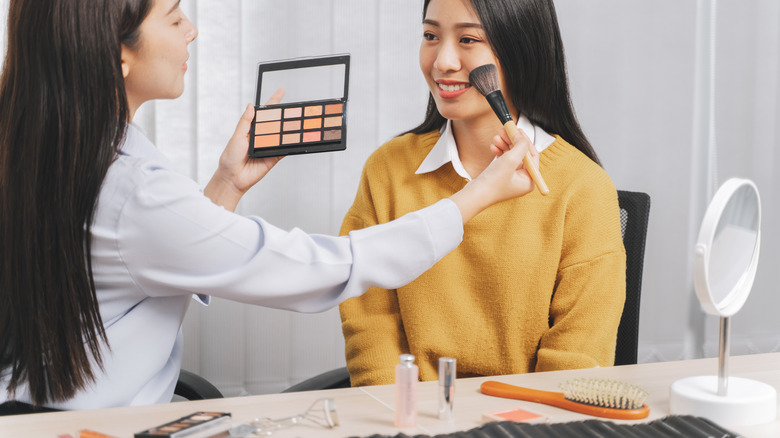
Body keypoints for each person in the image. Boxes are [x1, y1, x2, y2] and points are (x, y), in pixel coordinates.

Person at [0, 0, 539, 411]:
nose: (192, 28)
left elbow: (149, 255)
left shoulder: (49, 148)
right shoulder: (133, 190)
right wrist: (475, 198)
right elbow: (324, 269)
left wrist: (227, 185)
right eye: (172, 17)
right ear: (118, 52)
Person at [339, 0, 626, 386]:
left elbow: (578, 355)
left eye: (469, 39)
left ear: (520, 49)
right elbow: (369, 320)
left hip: (527, 420)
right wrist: (399, 414)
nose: (443, 61)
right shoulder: (388, 168)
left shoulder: (583, 188)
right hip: (411, 417)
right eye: (430, 36)